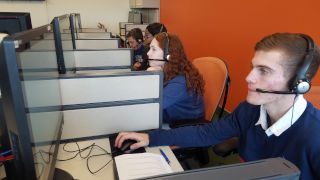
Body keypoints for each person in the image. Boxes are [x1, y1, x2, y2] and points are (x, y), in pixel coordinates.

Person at [116, 33, 320, 179]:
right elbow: (207, 133)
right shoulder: (249, 110)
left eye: (264, 71)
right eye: (253, 67)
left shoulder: (314, 137)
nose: (249, 77)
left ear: (299, 84)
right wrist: (151, 137)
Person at [147, 32, 205, 123]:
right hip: (169, 116)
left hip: (184, 127)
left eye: (153, 49)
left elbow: (150, 106)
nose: (148, 53)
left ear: (168, 55)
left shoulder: (180, 82)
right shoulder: (169, 71)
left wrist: (149, 79)